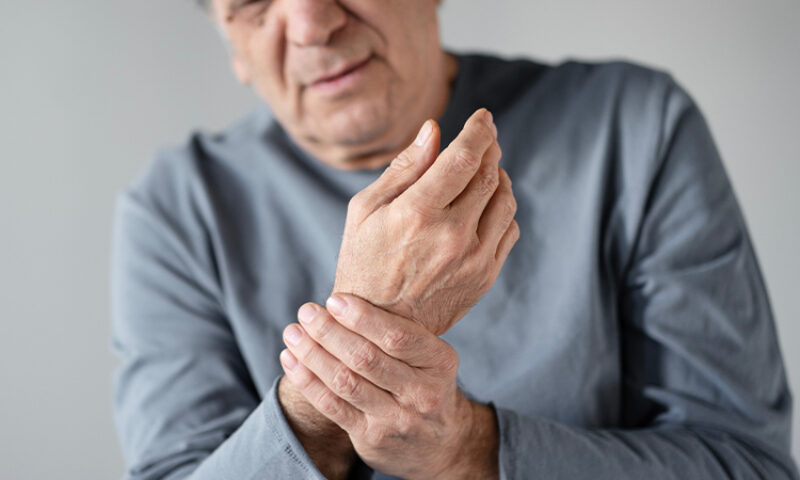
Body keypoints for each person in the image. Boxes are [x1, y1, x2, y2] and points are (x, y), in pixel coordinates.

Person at [110, 0, 798, 478]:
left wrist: (469, 452)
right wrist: (355, 355)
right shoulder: (176, 209)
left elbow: (747, 464)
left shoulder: (634, 127)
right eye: (256, 0)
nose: (315, 24)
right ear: (232, 46)